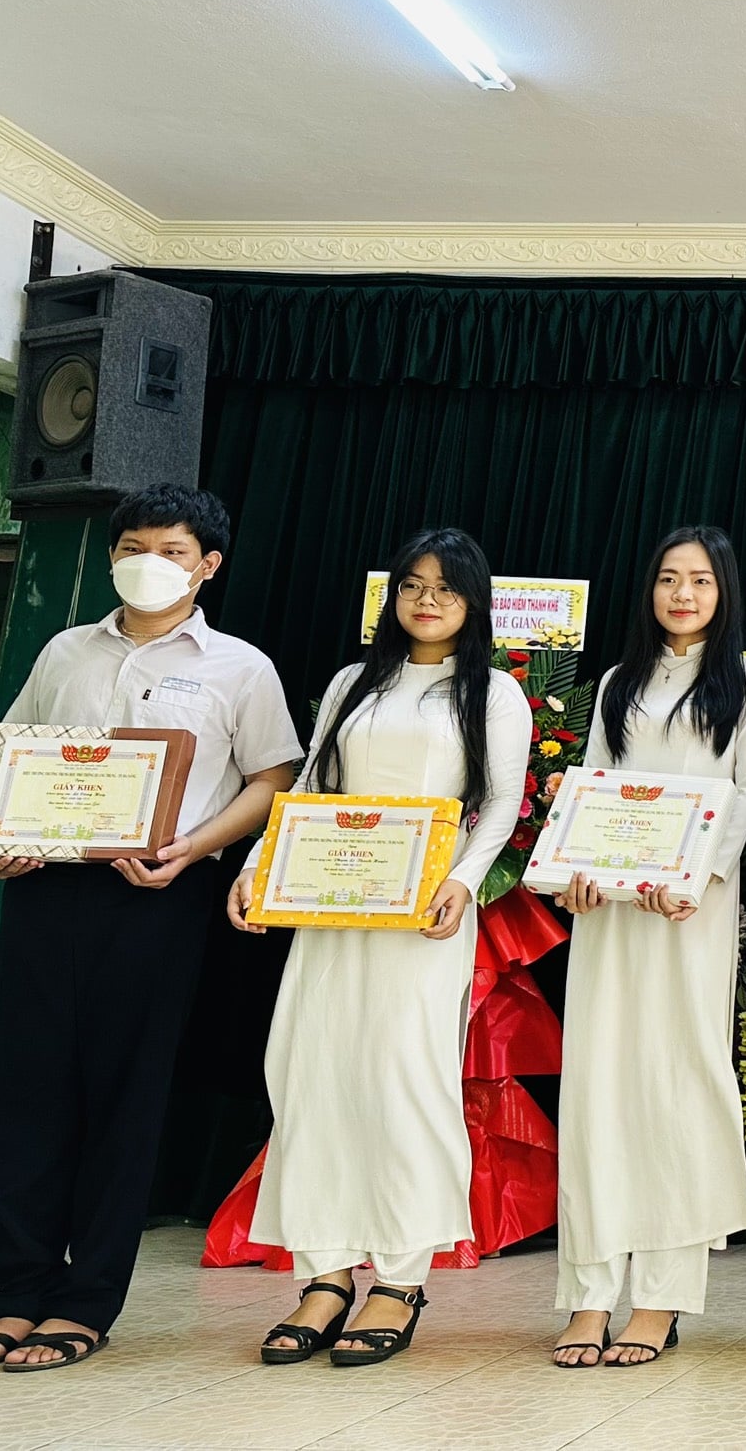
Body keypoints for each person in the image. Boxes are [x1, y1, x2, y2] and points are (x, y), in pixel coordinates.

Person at [0, 486, 302, 1374]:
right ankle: (15, 1288)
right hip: (46, 891)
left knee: (124, 1101)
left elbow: (273, 778)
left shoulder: (241, 667)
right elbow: (15, 750)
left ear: (208, 565)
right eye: (133, 547)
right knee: (26, 1094)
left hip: (156, 897)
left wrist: (191, 849)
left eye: (171, 551)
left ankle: (86, 1301)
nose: (149, 563)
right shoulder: (65, 649)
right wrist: (11, 833)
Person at [230, 528, 533, 1366]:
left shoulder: (494, 692)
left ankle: (400, 1280)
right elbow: (311, 788)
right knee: (310, 1071)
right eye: (412, 585)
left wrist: (463, 881)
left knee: (405, 1081)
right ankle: (325, 1276)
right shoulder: (350, 682)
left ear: (474, 602)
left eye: (446, 588)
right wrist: (257, 867)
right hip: (332, 907)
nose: (427, 601)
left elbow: (501, 802)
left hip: (423, 915)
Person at [550, 527, 746, 1370]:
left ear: (725, 592)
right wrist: (574, 873)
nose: (684, 594)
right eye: (670, 579)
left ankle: (660, 1298)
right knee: (599, 1085)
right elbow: (594, 789)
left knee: (677, 1084)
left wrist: (701, 875)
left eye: (701, 581)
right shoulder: (619, 681)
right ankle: (588, 1294)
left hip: (690, 911)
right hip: (611, 912)